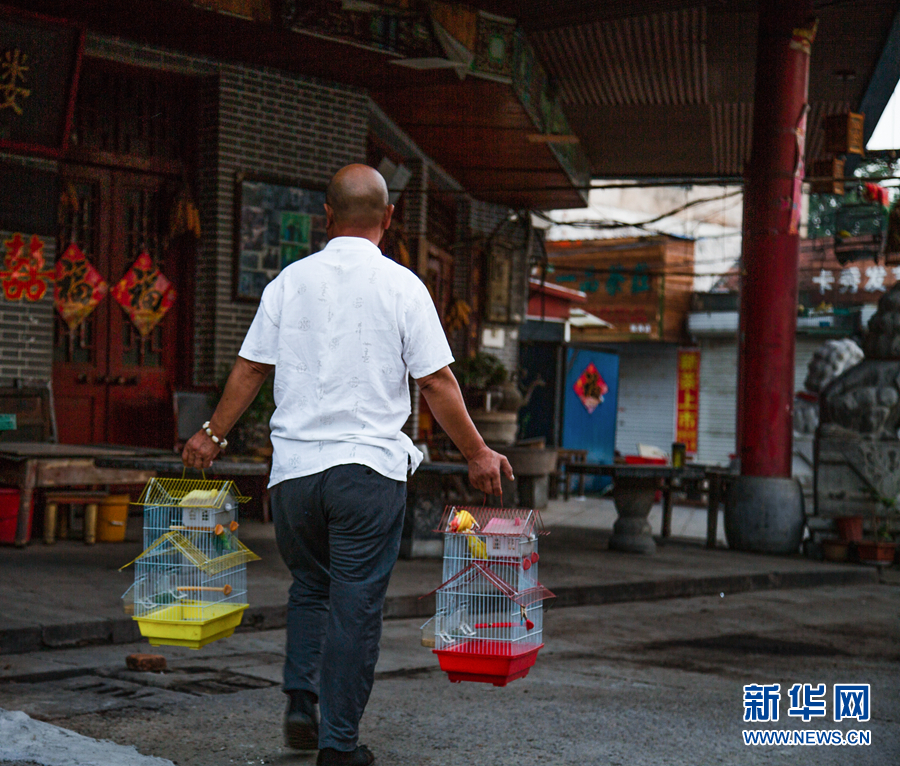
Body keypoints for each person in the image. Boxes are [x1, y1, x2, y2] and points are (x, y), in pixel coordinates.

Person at [182, 164, 513, 766]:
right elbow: (436, 381)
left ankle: (301, 701)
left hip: (295, 477)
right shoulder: (404, 286)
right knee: (355, 603)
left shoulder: (288, 281)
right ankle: (338, 746)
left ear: (326, 219)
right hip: (367, 474)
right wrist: (477, 453)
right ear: (388, 220)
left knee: (311, 586)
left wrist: (211, 435)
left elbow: (252, 368)